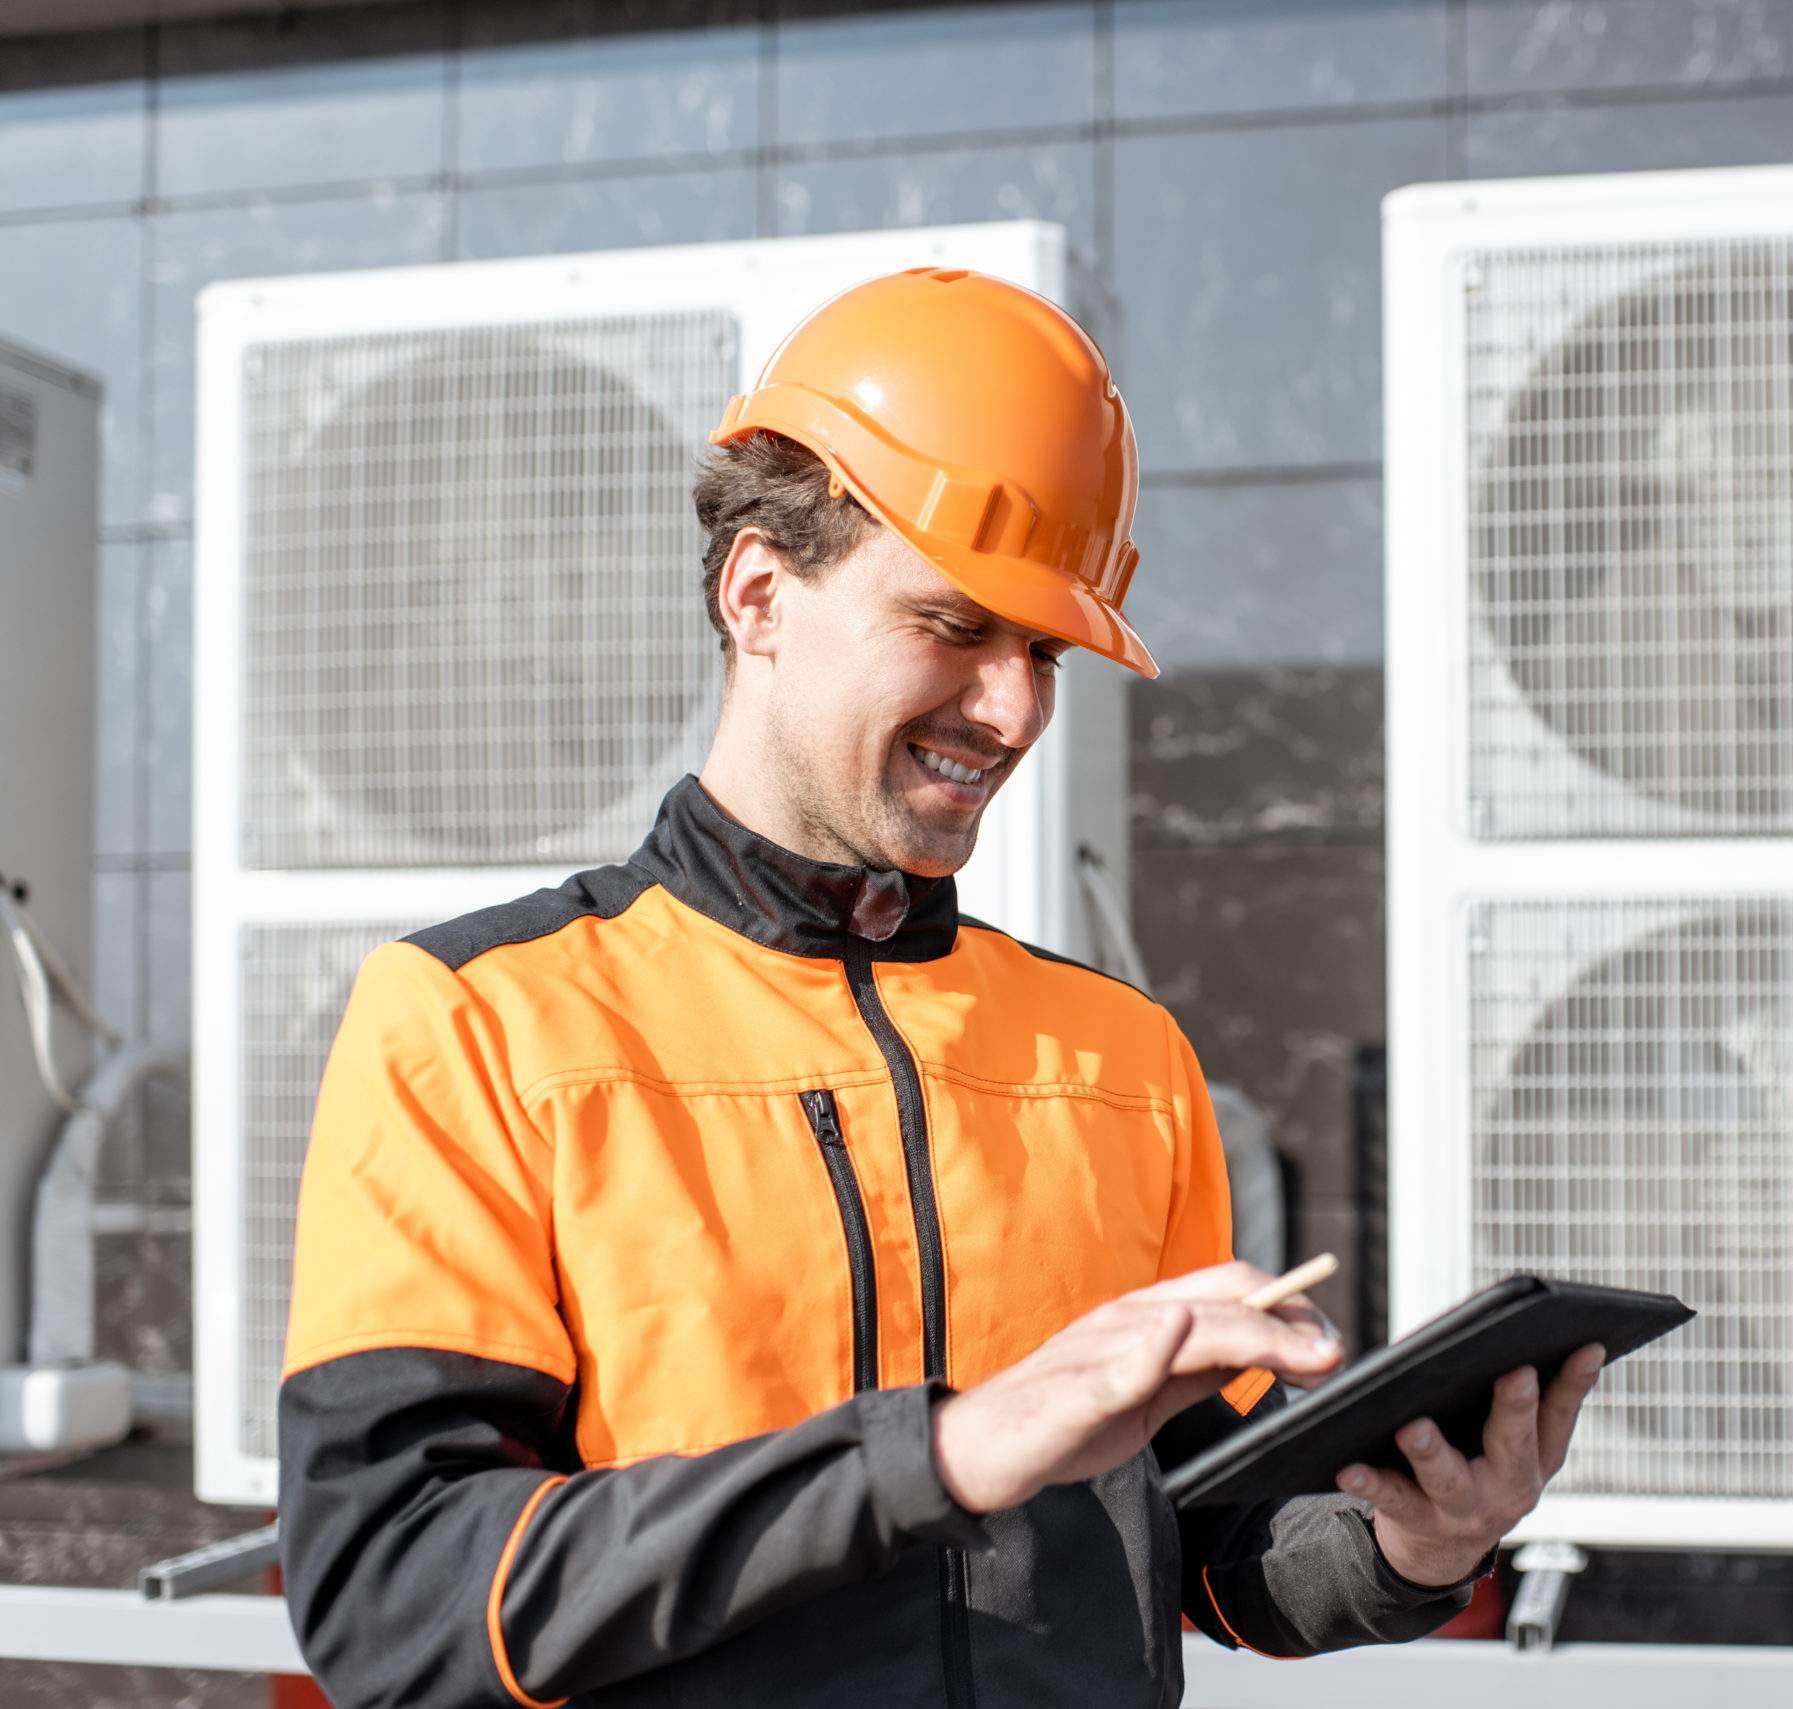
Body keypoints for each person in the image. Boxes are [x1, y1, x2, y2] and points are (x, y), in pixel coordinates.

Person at [276, 268, 1604, 1709]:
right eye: (958, 626)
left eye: (1044, 650)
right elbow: (397, 1592)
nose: (1017, 706)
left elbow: (1202, 1535)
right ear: (760, 592)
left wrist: (1402, 1543)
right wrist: (946, 1454)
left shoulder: (1118, 1053)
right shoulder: (479, 1021)